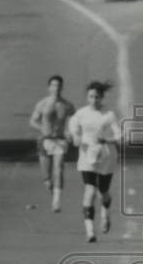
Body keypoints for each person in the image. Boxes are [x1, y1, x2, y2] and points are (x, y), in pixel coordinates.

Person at [68, 81, 120, 241]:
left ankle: (105, 212)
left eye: (97, 97)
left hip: (105, 155)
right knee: (89, 190)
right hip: (87, 156)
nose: (94, 100)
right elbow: (73, 130)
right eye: (91, 96)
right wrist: (76, 138)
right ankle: (90, 231)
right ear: (87, 97)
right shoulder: (80, 114)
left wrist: (107, 139)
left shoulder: (109, 114)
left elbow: (119, 135)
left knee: (103, 192)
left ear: (101, 98)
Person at [29, 75, 76, 213]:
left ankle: (56, 201)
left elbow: (74, 120)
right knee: (47, 178)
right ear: (49, 87)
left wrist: (69, 131)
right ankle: (51, 187)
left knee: (59, 168)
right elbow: (32, 121)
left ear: (62, 87)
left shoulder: (67, 105)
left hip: (60, 140)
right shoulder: (42, 104)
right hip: (45, 141)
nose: (56, 88)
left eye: (59, 85)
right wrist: (41, 128)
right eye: (54, 85)